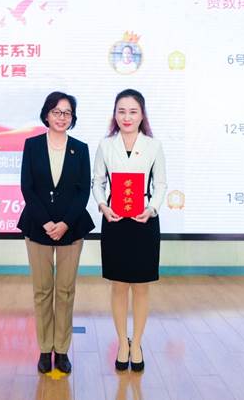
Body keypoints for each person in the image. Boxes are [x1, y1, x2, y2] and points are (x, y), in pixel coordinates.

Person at [18, 91, 95, 374]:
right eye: (56, 112)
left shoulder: (81, 148)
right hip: (37, 226)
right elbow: (27, 187)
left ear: (72, 117)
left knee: (65, 291)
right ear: (46, 115)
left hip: (71, 228)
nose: (62, 117)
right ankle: (44, 348)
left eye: (67, 113)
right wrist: (46, 222)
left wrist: (64, 223)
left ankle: (61, 350)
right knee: (42, 291)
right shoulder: (32, 145)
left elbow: (83, 191)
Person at [92, 88, 167, 372]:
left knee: (141, 286)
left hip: (144, 222)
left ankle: (137, 344)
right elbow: (97, 182)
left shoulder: (153, 146)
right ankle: (122, 343)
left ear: (142, 115)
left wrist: (152, 208)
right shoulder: (105, 145)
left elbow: (160, 184)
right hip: (114, 221)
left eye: (133, 111)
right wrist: (102, 205)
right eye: (121, 111)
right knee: (119, 285)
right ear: (114, 114)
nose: (127, 117)